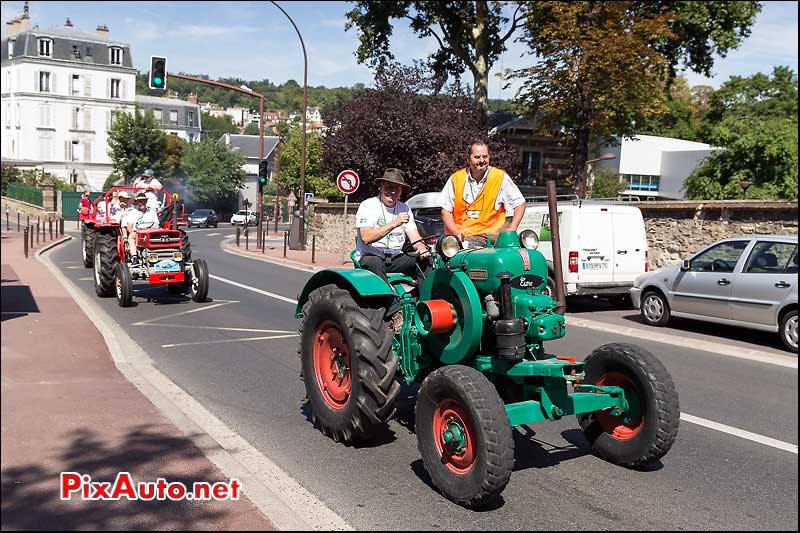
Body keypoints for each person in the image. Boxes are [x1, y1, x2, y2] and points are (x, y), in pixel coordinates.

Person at [355, 168, 431, 331]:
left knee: (426, 262)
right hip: (371, 255)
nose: (392, 191)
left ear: (401, 190)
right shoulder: (368, 206)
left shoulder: (404, 208)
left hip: (396, 258)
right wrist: (393, 223)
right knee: (374, 263)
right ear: (381, 186)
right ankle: (395, 312)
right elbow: (366, 238)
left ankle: (425, 305)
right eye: (388, 186)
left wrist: (422, 248)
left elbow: (414, 236)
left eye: (396, 188)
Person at [438, 140, 526, 247]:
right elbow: (445, 211)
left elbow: (520, 204)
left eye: (485, 157)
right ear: (468, 159)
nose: (481, 160)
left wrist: (511, 231)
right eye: (477, 157)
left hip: (491, 239)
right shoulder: (456, 178)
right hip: (461, 240)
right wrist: (456, 234)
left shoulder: (500, 177)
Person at [119, 191, 143, 263]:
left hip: (136, 226)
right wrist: (122, 209)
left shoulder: (131, 208)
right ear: (120, 198)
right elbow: (118, 217)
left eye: (126, 198)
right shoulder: (116, 207)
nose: (125, 200)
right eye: (123, 198)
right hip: (121, 223)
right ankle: (125, 237)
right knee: (124, 219)